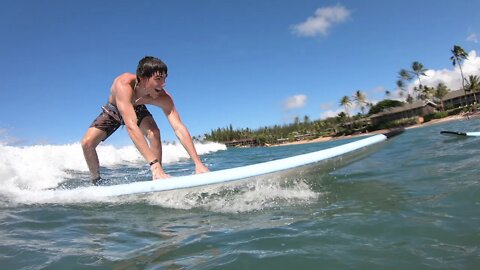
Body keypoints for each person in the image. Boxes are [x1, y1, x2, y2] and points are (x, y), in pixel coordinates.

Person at [81, 56, 209, 185]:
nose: (163, 84)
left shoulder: (163, 97)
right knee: (87, 143)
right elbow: (131, 126)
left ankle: (158, 174)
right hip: (113, 110)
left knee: (154, 132)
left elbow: (179, 127)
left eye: (164, 78)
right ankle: (97, 181)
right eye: (158, 79)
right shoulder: (124, 84)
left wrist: (198, 163)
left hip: (137, 107)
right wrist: (153, 163)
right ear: (142, 78)